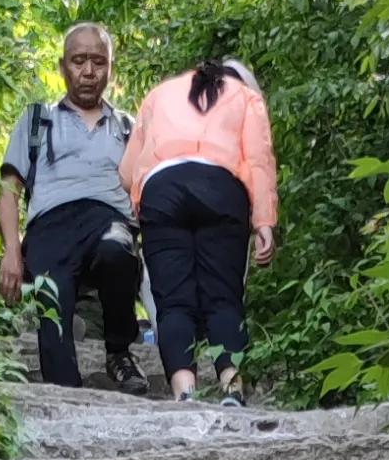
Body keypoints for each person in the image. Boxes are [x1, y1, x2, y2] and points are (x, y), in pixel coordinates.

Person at [119, 39, 278, 396]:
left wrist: (141, 198)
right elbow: (258, 161)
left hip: (162, 190)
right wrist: (264, 223)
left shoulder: (160, 94)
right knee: (223, 297)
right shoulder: (245, 98)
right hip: (221, 189)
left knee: (173, 302)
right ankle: (231, 386)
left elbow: (128, 171)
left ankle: (184, 393)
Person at [0, 23, 144, 388]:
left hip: (109, 219)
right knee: (53, 302)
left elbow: (147, 194)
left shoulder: (128, 127)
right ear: (63, 67)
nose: (89, 71)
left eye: (98, 61)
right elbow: (9, 190)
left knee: (119, 252)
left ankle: (119, 352)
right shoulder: (37, 120)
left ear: (110, 68)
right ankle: (66, 394)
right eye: (79, 61)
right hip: (51, 226)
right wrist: (12, 251)